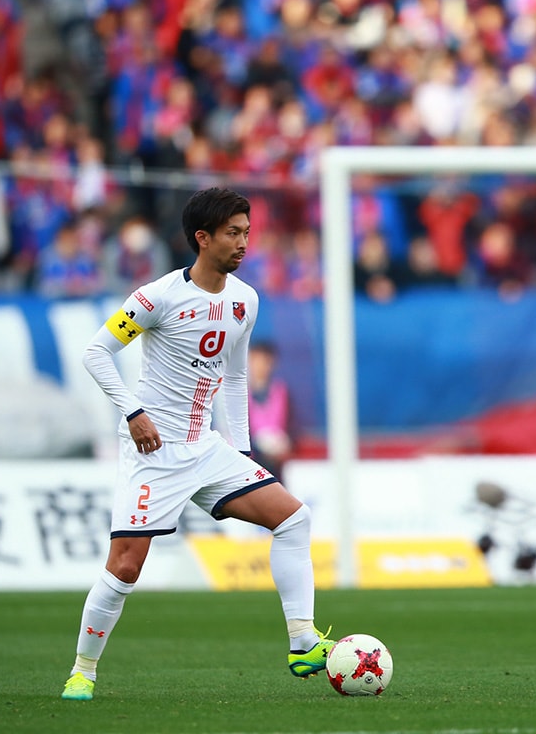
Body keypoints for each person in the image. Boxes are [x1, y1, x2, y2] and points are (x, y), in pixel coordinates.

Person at [61, 187, 333, 701]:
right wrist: (134, 413)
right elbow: (96, 353)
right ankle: (83, 670)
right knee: (125, 566)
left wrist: (242, 451)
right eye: (233, 233)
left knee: (293, 518)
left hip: (205, 448)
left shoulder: (245, 300)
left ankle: (302, 641)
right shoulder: (156, 297)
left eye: (247, 232)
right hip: (153, 450)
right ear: (203, 238)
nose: (244, 242)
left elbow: (235, 377)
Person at [248, 341, 294, 483]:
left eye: (265, 361)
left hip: (277, 459)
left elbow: (290, 424)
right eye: (255, 360)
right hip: (251, 459)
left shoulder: (280, 391)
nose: (259, 366)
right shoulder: (241, 393)